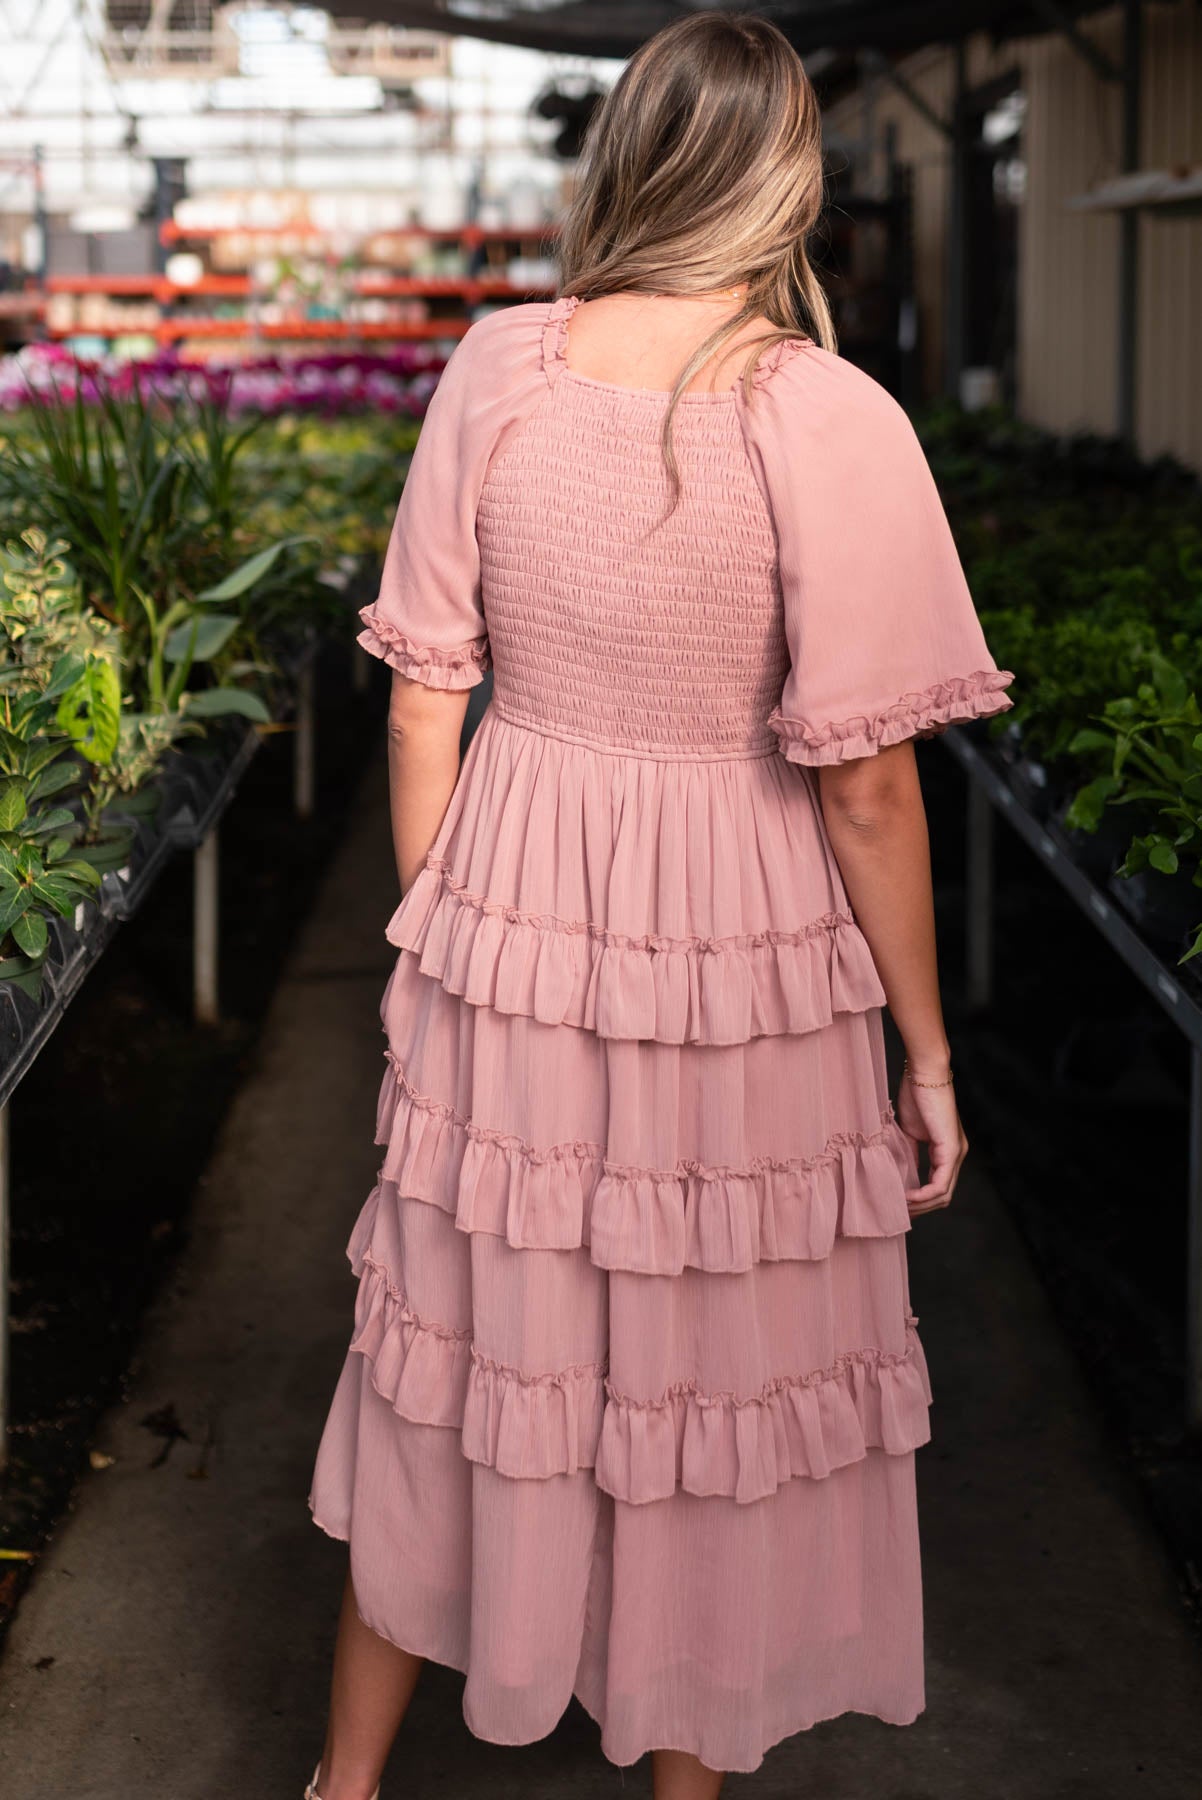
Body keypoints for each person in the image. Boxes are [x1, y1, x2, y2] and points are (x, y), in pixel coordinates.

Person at [304, 12, 1014, 1798]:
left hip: (509, 918)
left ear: (626, 157)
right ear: (789, 174)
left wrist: (438, 948)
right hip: (740, 955)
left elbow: (418, 698)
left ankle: (341, 1786)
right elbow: (863, 786)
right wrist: (924, 1059)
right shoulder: (824, 414)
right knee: (704, 1379)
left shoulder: (499, 369)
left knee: (459, 1358)